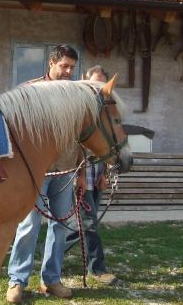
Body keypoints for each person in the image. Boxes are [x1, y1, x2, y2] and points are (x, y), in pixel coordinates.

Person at [6, 44, 86, 303]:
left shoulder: (76, 94)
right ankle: (17, 280)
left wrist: (82, 171)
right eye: (64, 66)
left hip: (65, 170)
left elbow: (82, 137)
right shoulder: (30, 91)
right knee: (29, 225)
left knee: (61, 226)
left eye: (72, 67)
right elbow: (14, 131)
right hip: (35, 173)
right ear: (51, 63)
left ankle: (51, 279)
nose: (68, 71)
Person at [62, 65, 117, 285]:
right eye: (95, 83)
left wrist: (104, 173)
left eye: (102, 84)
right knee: (90, 223)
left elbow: (103, 147)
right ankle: (98, 268)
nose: (98, 87)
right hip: (81, 174)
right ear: (85, 80)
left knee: (85, 223)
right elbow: (75, 145)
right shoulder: (79, 106)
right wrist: (81, 175)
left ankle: (53, 251)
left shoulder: (102, 110)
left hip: (96, 174)